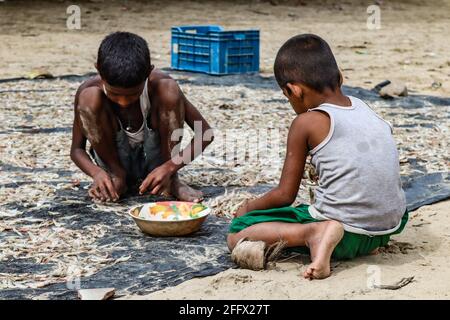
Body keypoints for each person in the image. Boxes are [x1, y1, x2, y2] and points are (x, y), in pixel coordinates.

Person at [227, 34, 408, 280]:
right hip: (389, 227)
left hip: (346, 235)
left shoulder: (306, 122)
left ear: (293, 90)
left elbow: (284, 195)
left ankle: (313, 234)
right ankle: (354, 239)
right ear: (340, 77)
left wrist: (247, 208)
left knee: (238, 232)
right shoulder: (365, 108)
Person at [70, 32, 213, 202]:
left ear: (148, 72)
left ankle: (172, 181)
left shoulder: (160, 85)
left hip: (160, 162)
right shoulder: (90, 91)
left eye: (132, 95)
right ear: (98, 71)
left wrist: (170, 167)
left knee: (170, 90)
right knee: (88, 98)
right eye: (115, 95)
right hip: (113, 161)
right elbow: (76, 150)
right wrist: (97, 173)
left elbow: (205, 133)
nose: (123, 102)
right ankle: (116, 177)